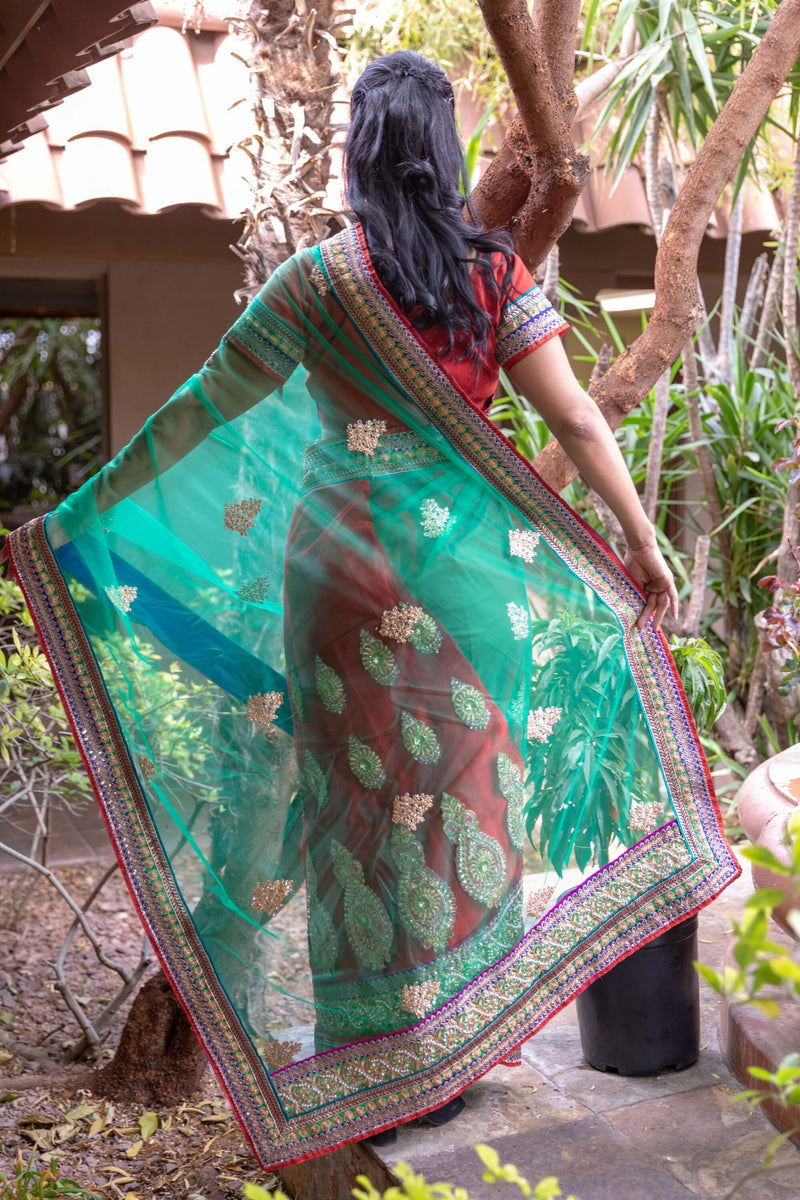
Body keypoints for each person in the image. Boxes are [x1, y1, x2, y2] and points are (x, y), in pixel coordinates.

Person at [3, 50, 739, 1170]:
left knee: (356, 808)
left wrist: (79, 517)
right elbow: (582, 423)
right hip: (460, 578)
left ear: (357, 151)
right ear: (445, 154)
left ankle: (379, 1062)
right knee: (463, 786)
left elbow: (204, 410)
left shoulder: (314, 280)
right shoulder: (491, 277)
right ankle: (451, 1045)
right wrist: (639, 545)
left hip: (336, 577)